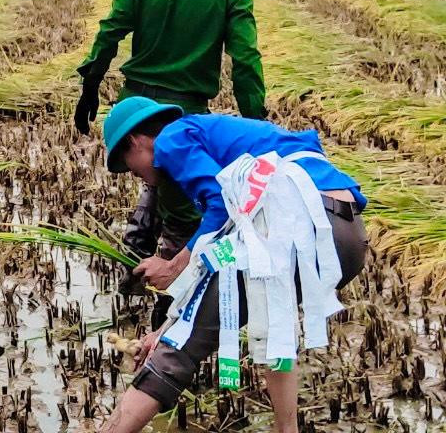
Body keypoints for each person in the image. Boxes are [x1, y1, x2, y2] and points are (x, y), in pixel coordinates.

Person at [98, 97, 366, 433]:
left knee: (177, 351)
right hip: (346, 237)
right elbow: (223, 253)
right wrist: (167, 326)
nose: (143, 179)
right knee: (272, 329)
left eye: (132, 167)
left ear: (136, 141)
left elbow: (220, 209)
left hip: (300, 225)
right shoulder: (216, 136)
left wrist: (174, 266)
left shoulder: (171, 137)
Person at [76, 0, 267, 266]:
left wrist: (91, 86)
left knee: (159, 178)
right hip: (179, 114)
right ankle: (167, 295)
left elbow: (109, 33)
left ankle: (135, 258)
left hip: (134, 109)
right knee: (186, 211)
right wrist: (255, 117)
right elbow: (245, 61)